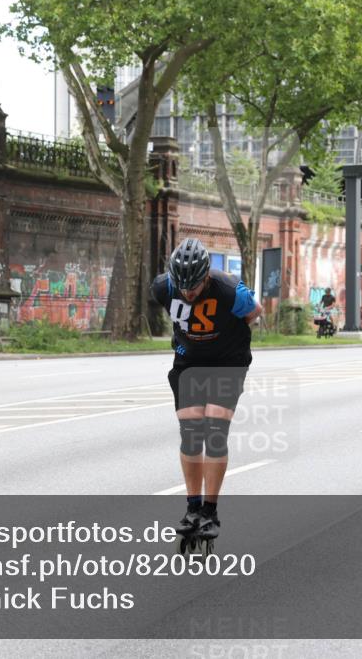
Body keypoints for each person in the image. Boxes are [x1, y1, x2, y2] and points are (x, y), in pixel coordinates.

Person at [151, 237, 263, 554]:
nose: (188, 293)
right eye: (182, 287)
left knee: (214, 429)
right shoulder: (162, 287)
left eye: (194, 287)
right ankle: (192, 508)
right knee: (190, 432)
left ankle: (210, 511)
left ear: (206, 277)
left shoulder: (230, 291)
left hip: (228, 361)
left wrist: (226, 336)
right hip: (189, 362)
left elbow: (254, 312)